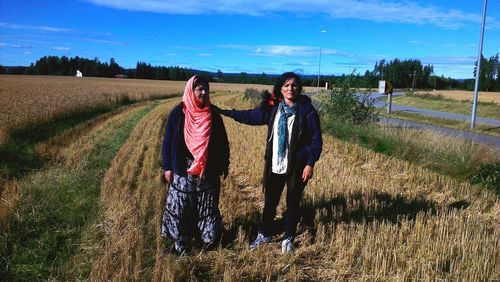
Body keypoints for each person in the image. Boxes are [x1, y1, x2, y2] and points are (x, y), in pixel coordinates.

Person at [218, 72, 322, 254]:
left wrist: (310, 163)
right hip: (275, 163)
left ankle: (288, 238)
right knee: (270, 201)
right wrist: (224, 112)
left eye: (294, 85)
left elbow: (316, 140)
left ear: (299, 88)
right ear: (280, 89)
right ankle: (265, 233)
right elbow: (249, 116)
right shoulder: (273, 109)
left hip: (297, 166)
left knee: (293, 202)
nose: (291, 89)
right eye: (287, 86)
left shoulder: (307, 110)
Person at [161, 75, 230, 254]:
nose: (203, 92)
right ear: (191, 91)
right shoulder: (178, 112)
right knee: (181, 208)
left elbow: (223, 142)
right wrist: (167, 167)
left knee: (207, 208)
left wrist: (224, 164)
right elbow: (168, 142)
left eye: (206, 88)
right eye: (199, 89)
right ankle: (181, 243)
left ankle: (206, 239)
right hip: (182, 171)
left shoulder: (213, 114)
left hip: (207, 172)